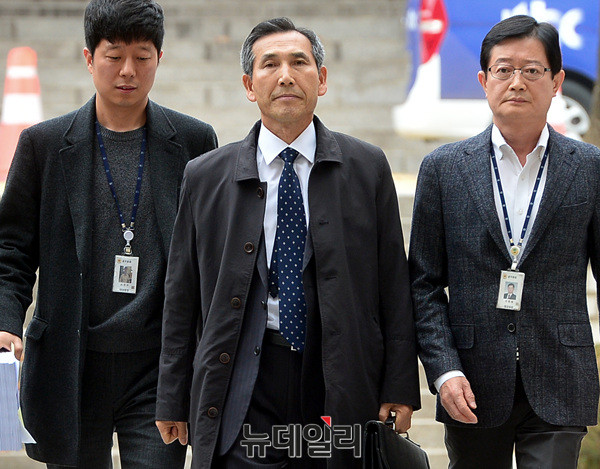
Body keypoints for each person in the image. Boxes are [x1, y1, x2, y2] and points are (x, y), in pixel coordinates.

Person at [155, 17, 420, 469]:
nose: (285, 76)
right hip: (244, 380)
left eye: (299, 62)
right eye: (269, 64)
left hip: (334, 378)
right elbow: (181, 296)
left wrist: (399, 384)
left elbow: (393, 285)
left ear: (322, 79)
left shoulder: (366, 167)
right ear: (248, 85)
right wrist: (172, 396)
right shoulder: (205, 176)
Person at [0, 0, 217, 467]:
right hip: (71, 363)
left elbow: (209, 252)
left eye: (142, 56)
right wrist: (6, 319)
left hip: (158, 368)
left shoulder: (194, 141)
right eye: (114, 56)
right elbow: (11, 248)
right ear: (89, 58)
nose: (128, 71)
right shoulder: (44, 145)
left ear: (160, 58)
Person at [409, 14, 599, 469]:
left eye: (532, 70)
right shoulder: (444, 168)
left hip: (561, 373)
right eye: (503, 70)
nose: (517, 82)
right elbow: (422, 284)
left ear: (556, 82)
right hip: (470, 381)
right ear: (484, 80)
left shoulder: (590, 167)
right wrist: (444, 369)